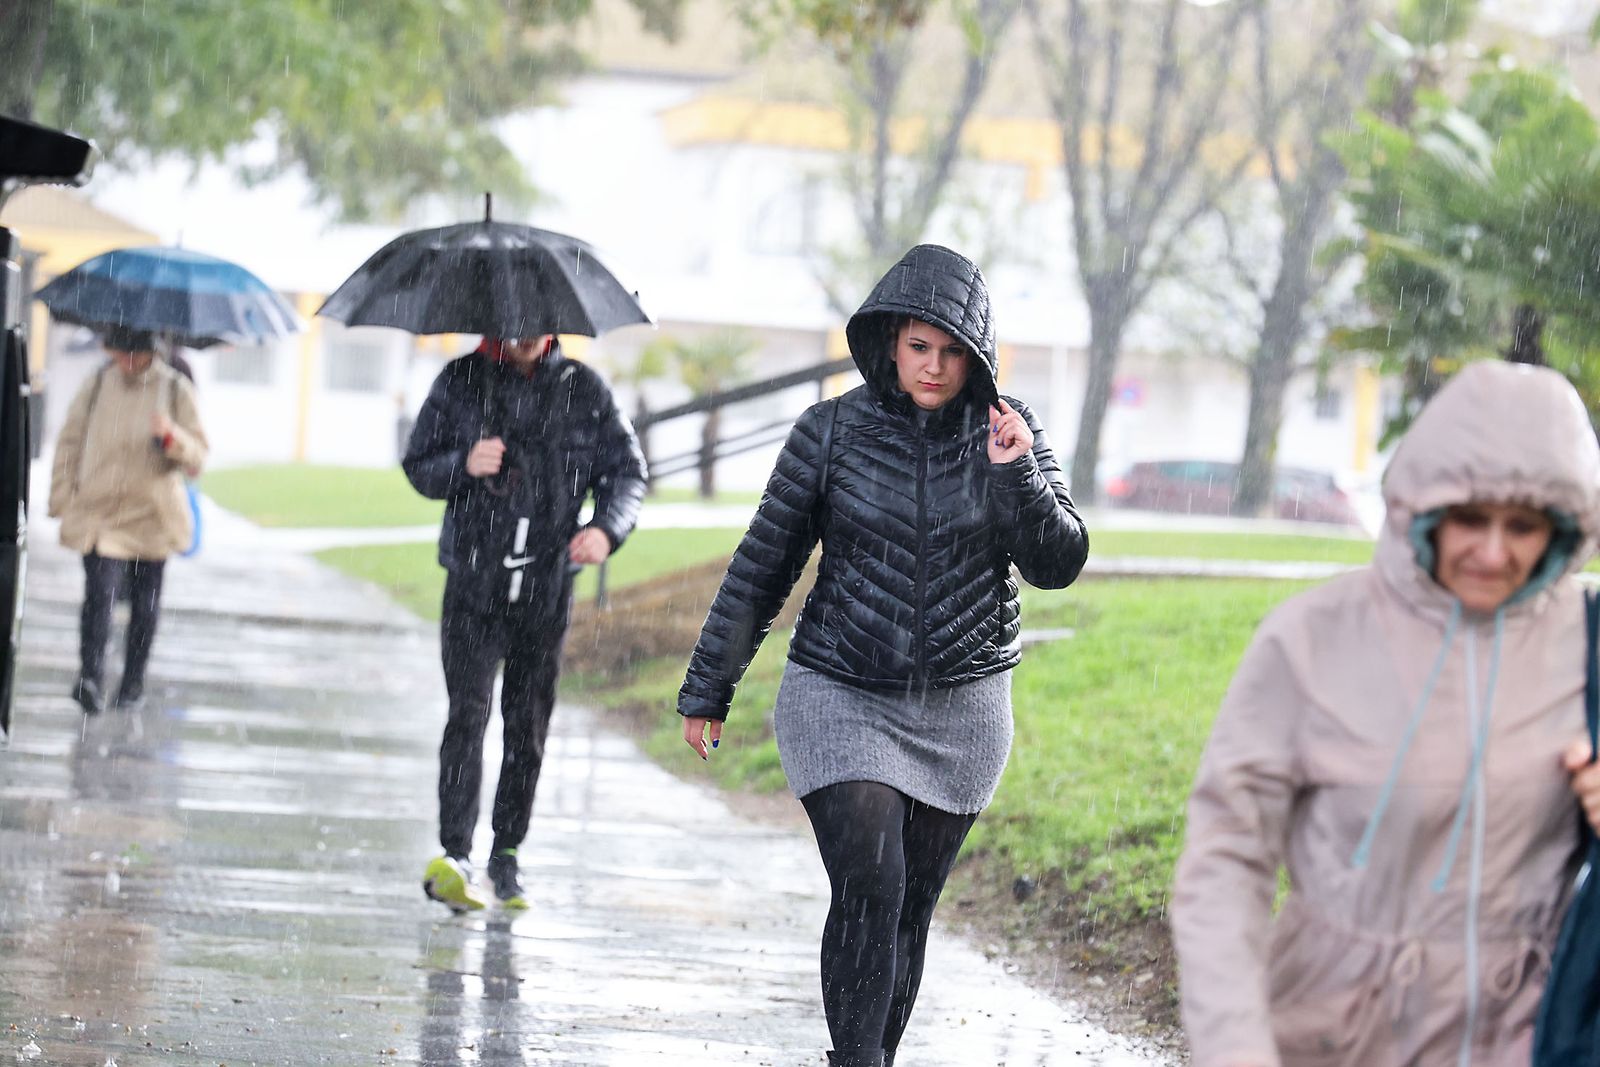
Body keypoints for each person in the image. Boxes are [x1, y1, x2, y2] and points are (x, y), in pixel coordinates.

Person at [678, 244, 1089, 1067]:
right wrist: (709, 685)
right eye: (917, 348)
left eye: (950, 352)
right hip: (840, 691)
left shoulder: (1012, 432)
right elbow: (765, 563)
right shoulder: (829, 432)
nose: (933, 368)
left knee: (911, 906)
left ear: (977, 356)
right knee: (872, 882)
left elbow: (1058, 563)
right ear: (888, 344)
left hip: (963, 708)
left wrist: (1014, 476)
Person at [1171, 360, 1600, 1067]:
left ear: (1563, 528)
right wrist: (1235, 1048)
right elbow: (1226, 859)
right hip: (1328, 1037)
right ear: (1420, 508)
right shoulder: (1312, 638)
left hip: (1530, 1039)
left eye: (1522, 525)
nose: (1493, 553)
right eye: (1468, 517)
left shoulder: (1590, 645)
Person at [403, 334, 646, 912]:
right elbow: (419, 465)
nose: (526, 335)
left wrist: (606, 528)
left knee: (527, 726)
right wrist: (463, 464)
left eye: (539, 325)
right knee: (467, 715)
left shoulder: (583, 389)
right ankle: (455, 852)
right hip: (472, 583)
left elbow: (627, 474)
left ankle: (506, 854)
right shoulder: (461, 379)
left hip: (546, 587)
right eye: (515, 324)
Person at [48, 324, 208, 715]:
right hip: (101, 511)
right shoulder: (98, 384)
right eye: (118, 354)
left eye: (132, 355)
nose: (125, 363)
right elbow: (70, 440)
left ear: (149, 352)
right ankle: (89, 676)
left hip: (152, 515)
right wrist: (62, 497)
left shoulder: (173, 388)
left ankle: (133, 683)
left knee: (145, 605)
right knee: (98, 597)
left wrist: (171, 436)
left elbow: (197, 458)